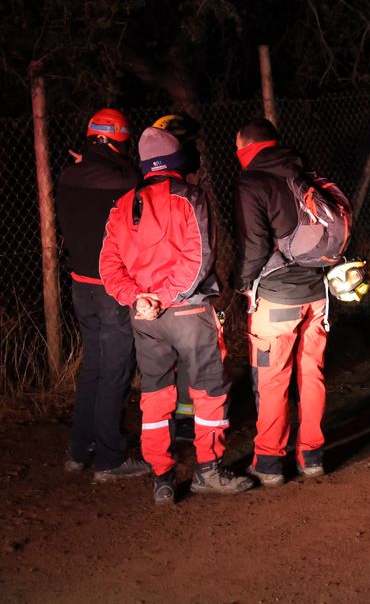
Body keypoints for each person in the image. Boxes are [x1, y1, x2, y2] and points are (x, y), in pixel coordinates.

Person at [100, 126, 252, 504]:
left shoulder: (122, 205)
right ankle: (209, 470)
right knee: (209, 390)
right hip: (188, 310)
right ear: (177, 162)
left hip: (146, 318)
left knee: (155, 394)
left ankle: (162, 477)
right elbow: (199, 258)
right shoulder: (190, 197)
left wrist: (138, 299)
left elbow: (108, 264)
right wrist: (165, 297)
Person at [234, 118, 332, 487]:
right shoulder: (305, 174)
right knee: (312, 375)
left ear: (246, 146)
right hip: (317, 294)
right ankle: (312, 455)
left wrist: (242, 283)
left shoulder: (252, 183)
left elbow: (254, 246)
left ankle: (270, 462)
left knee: (273, 379)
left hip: (275, 297)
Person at [56, 108, 149, 482]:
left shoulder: (68, 175)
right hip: (113, 288)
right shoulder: (124, 178)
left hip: (81, 286)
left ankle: (80, 449)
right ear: (119, 142)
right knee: (116, 370)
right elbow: (136, 182)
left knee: (93, 367)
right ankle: (110, 459)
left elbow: (95, 171)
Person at [151, 113, 205, 442]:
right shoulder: (188, 190)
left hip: (159, 279)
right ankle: (183, 415)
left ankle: (171, 418)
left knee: (168, 354)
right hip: (181, 279)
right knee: (187, 352)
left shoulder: (145, 187)